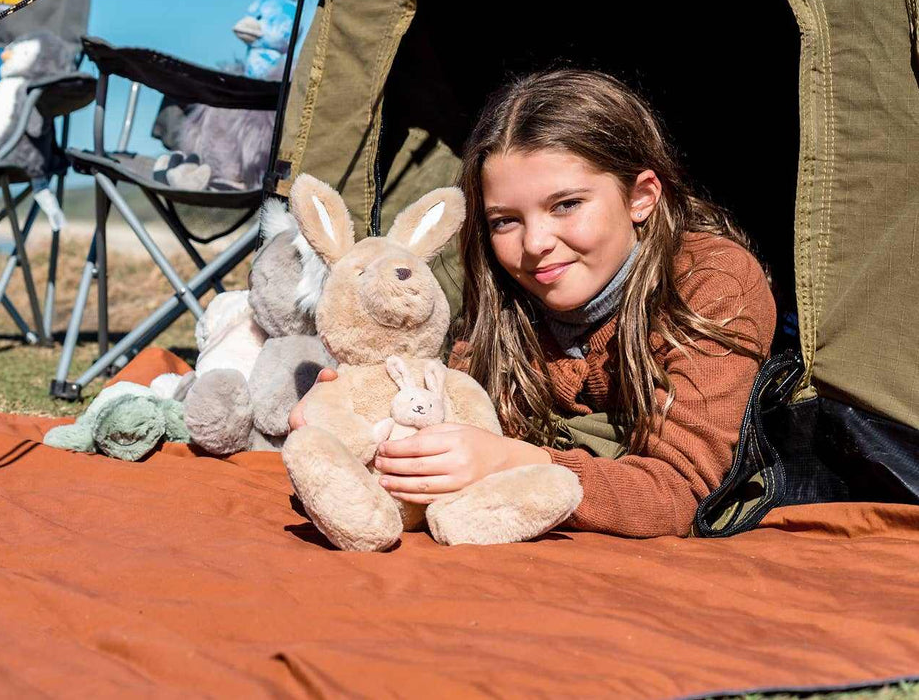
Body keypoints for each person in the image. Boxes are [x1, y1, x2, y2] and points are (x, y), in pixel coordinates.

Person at [290, 68, 776, 538]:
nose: (535, 242)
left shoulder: (711, 283)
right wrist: (352, 418)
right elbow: (456, 410)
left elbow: (679, 493)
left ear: (641, 197)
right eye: (505, 220)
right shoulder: (504, 288)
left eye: (566, 205)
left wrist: (512, 461)